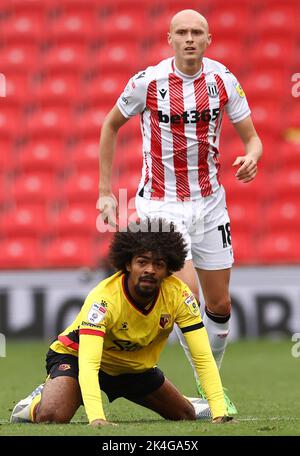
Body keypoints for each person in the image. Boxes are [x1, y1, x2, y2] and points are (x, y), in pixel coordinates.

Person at [97, 9, 263, 412]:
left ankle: (209, 383)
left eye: (197, 32)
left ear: (209, 39)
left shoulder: (223, 81)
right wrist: (106, 191)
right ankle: (211, 392)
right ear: (169, 39)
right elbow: (110, 126)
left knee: (220, 306)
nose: (190, 39)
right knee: (185, 293)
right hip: (161, 202)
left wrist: (252, 158)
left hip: (210, 204)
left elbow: (253, 139)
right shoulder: (148, 82)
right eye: (182, 32)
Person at [10, 218, 233, 426]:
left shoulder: (179, 296)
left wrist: (219, 412)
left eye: (159, 264)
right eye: (142, 262)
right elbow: (89, 364)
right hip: (78, 359)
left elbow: (202, 357)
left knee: (185, 415)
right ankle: (36, 399)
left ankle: (187, 401)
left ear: (168, 269)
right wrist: (97, 418)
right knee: (52, 415)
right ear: (127, 264)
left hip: (134, 369)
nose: (150, 270)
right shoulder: (104, 299)